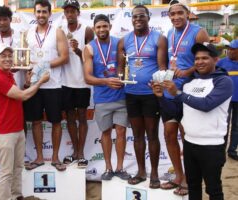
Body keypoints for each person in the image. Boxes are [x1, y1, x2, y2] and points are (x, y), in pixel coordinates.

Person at [153, 42, 233, 200]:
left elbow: (206, 105)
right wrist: (161, 98)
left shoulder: (223, 81)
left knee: (213, 190)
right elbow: (177, 112)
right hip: (189, 144)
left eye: (205, 58)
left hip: (212, 146)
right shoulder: (189, 83)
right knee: (193, 187)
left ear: (215, 60)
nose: (199, 62)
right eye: (196, 59)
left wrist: (177, 93)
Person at [159, 0, 209, 195]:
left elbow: (209, 59)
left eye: (180, 13)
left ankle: (189, 178)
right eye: (172, 14)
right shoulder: (169, 34)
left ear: (187, 14)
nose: (176, 17)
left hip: (189, 92)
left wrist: (188, 71)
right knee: (169, 134)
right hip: (169, 92)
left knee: (187, 137)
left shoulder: (198, 32)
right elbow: (166, 63)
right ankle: (178, 175)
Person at [0, 43, 49, 200]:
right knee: (6, 171)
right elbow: (22, 96)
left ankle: (16, 195)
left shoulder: (8, 75)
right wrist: (40, 82)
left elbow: (15, 97)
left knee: (17, 167)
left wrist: (27, 84)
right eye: (3, 56)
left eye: (9, 56)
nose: (7, 59)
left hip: (17, 129)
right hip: (6, 131)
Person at [117, 5, 168, 188]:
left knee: (152, 135)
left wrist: (158, 82)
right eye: (134, 16)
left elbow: (162, 68)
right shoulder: (124, 41)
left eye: (141, 16)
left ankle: (154, 173)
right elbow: (120, 67)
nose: (137, 19)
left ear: (148, 17)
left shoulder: (159, 38)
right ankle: (141, 171)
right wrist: (120, 79)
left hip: (150, 95)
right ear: (131, 19)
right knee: (137, 135)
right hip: (131, 94)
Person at [84, 14, 131, 181]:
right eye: (98, 27)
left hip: (120, 96)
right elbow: (87, 78)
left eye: (104, 26)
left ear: (110, 27)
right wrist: (106, 81)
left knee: (121, 131)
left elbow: (126, 66)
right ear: (94, 29)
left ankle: (120, 168)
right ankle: (108, 168)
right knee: (105, 133)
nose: (102, 29)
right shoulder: (89, 48)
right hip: (102, 98)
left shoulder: (120, 43)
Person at [23, 0, 69, 171]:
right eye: (38, 12)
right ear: (34, 14)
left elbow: (65, 57)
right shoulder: (27, 34)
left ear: (50, 14)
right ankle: (39, 157)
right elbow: (26, 59)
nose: (41, 15)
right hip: (34, 85)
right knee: (35, 121)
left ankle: (55, 157)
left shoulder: (57, 32)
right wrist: (28, 70)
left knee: (56, 121)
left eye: (44, 12)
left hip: (53, 85)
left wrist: (44, 66)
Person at [60, 0, 94, 167]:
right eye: (67, 11)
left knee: (82, 117)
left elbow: (91, 58)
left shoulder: (87, 30)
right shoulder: (60, 31)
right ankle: (74, 151)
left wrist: (78, 50)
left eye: (73, 11)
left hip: (82, 82)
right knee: (70, 118)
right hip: (65, 81)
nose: (70, 14)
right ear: (64, 14)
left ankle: (81, 153)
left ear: (78, 13)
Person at [217, 39, 238, 161]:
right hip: (225, 99)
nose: (230, 51)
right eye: (229, 48)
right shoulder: (221, 63)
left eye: (233, 49)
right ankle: (221, 150)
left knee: (236, 126)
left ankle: (232, 150)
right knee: (224, 124)